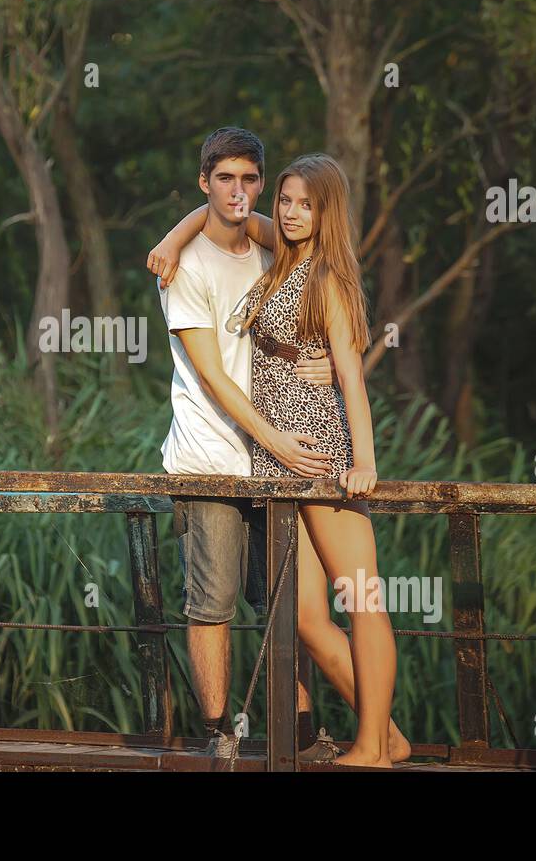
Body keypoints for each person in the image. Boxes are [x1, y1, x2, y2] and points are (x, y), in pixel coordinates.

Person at [149, 152, 409, 767]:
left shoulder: (325, 275)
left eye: (305, 204)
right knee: (305, 618)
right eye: (286, 200)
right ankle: (391, 735)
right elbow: (228, 211)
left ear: (328, 212)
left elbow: (351, 379)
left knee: (364, 599)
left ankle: (372, 747)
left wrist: (362, 463)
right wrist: (173, 235)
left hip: (318, 456)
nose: (290, 213)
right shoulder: (284, 249)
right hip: (277, 466)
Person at [153, 127, 338, 761]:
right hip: (210, 457)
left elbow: (326, 312)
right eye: (224, 178)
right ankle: (218, 734)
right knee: (213, 600)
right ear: (204, 182)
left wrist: (333, 371)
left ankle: (300, 729)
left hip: (275, 462)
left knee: (286, 598)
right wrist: (277, 441)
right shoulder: (184, 268)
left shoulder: (270, 249)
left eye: (249, 178)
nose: (239, 190)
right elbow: (213, 375)